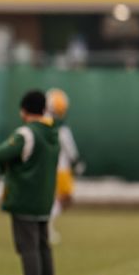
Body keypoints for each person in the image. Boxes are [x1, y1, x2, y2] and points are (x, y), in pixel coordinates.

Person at [0, 89, 60, 275]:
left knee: (28, 247)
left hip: (24, 197)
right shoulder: (53, 133)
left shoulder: (26, 133)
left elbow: (0, 154)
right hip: (45, 198)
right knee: (43, 246)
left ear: (24, 110)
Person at [45, 88, 84, 244]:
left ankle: (47, 225)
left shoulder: (43, 124)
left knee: (54, 199)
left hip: (48, 167)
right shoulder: (61, 128)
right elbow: (70, 149)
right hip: (60, 168)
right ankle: (46, 225)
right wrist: (76, 162)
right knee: (65, 198)